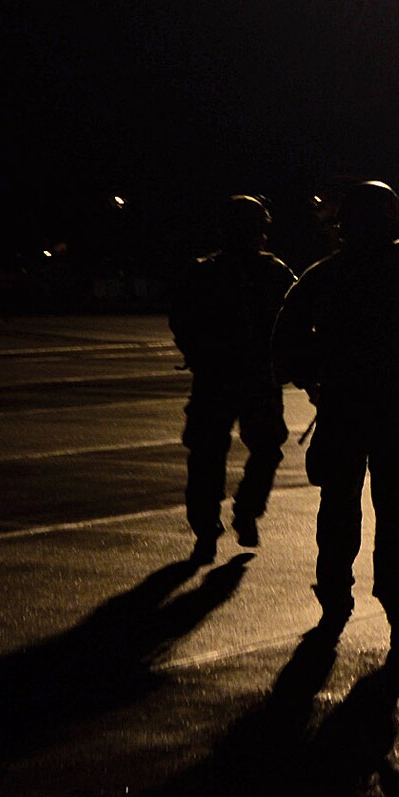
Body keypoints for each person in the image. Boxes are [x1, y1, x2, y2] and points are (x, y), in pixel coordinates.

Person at [271, 180, 399, 657]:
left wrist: (310, 377)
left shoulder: (323, 276)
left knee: (340, 508)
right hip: (396, 409)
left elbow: (285, 341)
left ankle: (336, 600)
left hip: (342, 409)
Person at [168, 195, 297, 563]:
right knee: (264, 448)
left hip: (218, 376)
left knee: (209, 453)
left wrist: (196, 353)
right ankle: (243, 513)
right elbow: (295, 319)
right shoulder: (274, 272)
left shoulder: (204, 271)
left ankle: (209, 527)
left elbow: (180, 320)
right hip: (254, 376)